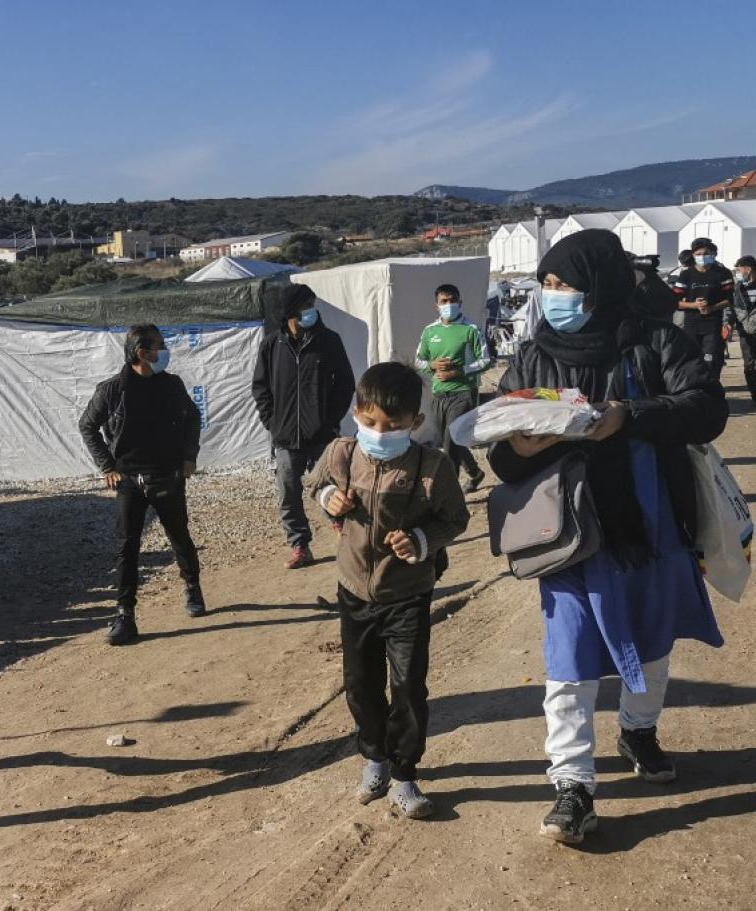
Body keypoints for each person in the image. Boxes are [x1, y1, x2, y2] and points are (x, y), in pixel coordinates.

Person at [488, 229, 727, 845]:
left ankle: (638, 731)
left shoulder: (654, 341)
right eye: (546, 283)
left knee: (652, 640)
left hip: (650, 522)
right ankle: (572, 784)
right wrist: (521, 449)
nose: (553, 295)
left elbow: (707, 407)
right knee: (568, 658)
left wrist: (631, 416)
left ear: (600, 286)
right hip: (567, 534)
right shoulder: (533, 355)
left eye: (564, 284)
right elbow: (502, 451)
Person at [310, 361, 470, 819]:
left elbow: (455, 519)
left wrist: (420, 540)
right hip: (353, 592)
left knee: (407, 687)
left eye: (392, 425)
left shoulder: (432, 466)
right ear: (356, 413)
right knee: (360, 685)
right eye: (370, 421)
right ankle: (375, 759)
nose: (379, 432)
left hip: (408, 596)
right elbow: (315, 485)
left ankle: (404, 774)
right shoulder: (341, 453)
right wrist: (328, 499)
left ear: (415, 422)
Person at [79, 324, 204, 646]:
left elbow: (193, 417)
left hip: (167, 476)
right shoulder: (113, 390)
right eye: (159, 346)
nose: (165, 351)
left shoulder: (172, 385)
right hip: (129, 482)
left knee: (179, 535)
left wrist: (189, 455)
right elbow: (88, 425)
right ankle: (125, 615)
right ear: (142, 352)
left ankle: (192, 587)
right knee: (127, 547)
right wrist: (107, 466)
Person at [251, 283, 355, 569]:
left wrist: (330, 419)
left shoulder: (328, 341)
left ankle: (343, 531)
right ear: (290, 312)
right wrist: (272, 422)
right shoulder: (271, 345)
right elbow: (260, 388)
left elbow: (345, 383)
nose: (312, 311)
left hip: (322, 434)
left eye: (312, 305)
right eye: (305, 306)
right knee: (288, 492)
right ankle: (300, 545)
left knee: (331, 485)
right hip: (286, 436)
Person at [415, 284, 492, 492]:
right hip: (439, 393)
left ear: (460, 302)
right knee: (450, 440)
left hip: (463, 392)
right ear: (436, 305)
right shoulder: (430, 331)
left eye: (453, 300)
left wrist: (458, 372)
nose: (449, 304)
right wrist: (432, 365)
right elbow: (418, 361)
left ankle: (449, 491)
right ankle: (475, 472)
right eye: (444, 301)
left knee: (450, 440)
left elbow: (485, 361)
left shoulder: (471, 328)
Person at [671, 237, 735, 381]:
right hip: (691, 326)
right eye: (698, 254)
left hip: (713, 326)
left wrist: (712, 308)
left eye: (706, 253)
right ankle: (696, 390)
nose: (702, 257)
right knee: (692, 363)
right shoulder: (686, 275)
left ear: (713, 254)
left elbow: (730, 300)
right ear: (693, 255)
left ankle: (711, 389)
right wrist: (694, 305)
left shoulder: (722, 273)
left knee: (711, 362)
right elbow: (674, 302)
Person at [729, 255, 756, 401]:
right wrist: (728, 323)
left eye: (739, 269)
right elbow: (731, 308)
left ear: (748, 269)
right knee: (749, 365)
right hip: (745, 332)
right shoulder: (737, 289)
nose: (737, 273)